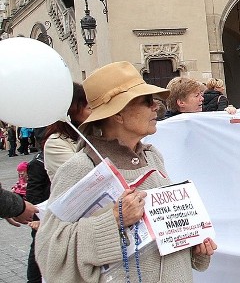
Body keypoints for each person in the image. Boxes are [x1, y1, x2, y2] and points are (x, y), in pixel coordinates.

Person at [35, 61, 216, 281]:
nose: (156, 107)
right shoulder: (81, 167)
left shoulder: (152, 156)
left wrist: (194, 245)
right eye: (146, 101)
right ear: (118, 114)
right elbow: (50, 253)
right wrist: (113, 220)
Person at [42, 82, 91, 180]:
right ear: (72, 110)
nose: (92, 112)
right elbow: (82, 175)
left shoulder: (93, 133)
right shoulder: (55, 143)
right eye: (88, 107)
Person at [25, 151, 49, 283]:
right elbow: (33, 194)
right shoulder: (39, 162)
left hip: (50, 211)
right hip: (42, 213)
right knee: (37, 247)